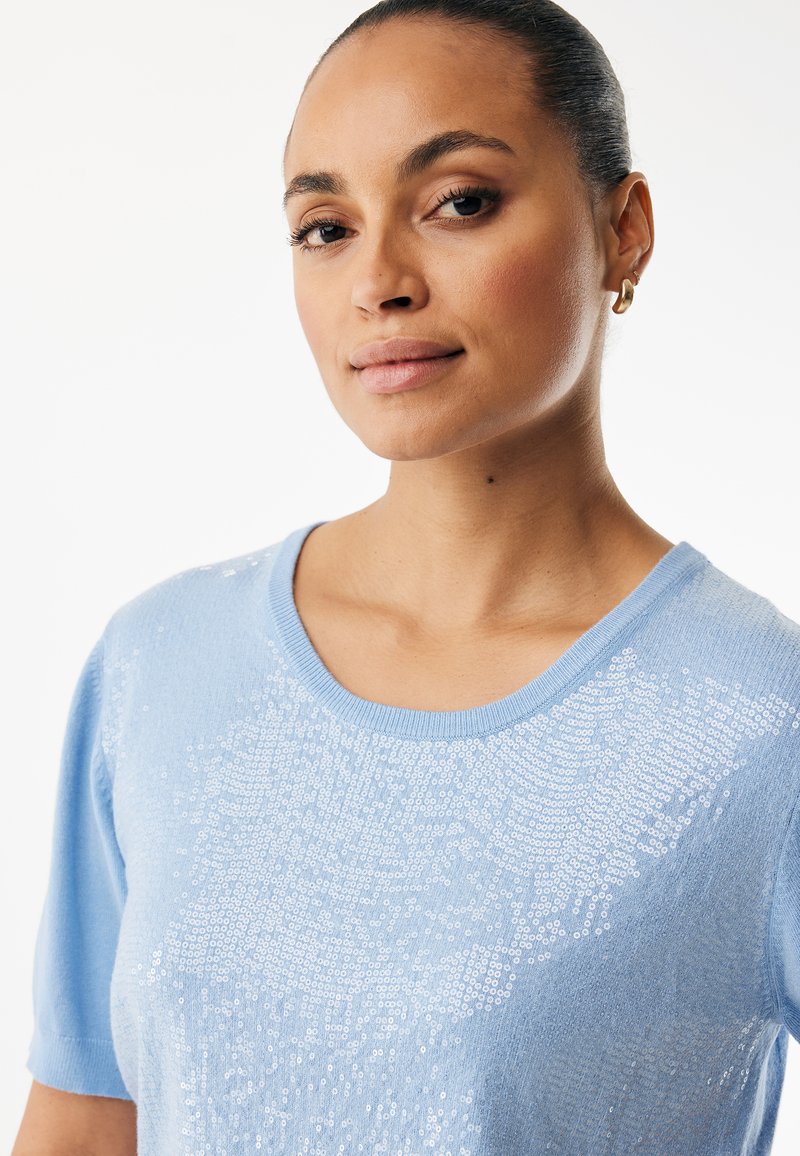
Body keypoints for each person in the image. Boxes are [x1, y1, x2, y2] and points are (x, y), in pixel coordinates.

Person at [13, 0, 800, 1153]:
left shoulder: (754, 716)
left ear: (622, 229)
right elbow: (82, 1128)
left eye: (458, 203)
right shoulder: (160, 664)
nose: (376, 279)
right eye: (325, 226)